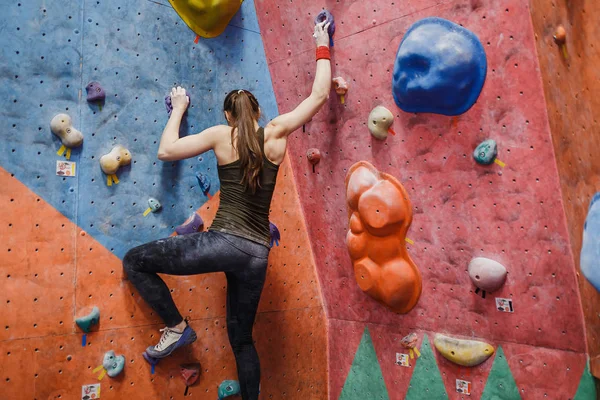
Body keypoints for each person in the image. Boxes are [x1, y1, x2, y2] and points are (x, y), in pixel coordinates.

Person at [122, 21, 332, 400]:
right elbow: (318, 95)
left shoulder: (223, 134)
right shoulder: (277, 131)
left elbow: (166, 151)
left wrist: (179, 109)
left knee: (135, 260)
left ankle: (174, 326)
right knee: (242, 339)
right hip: (256, 255)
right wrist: (322, 43)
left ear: (229, 115)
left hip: (224, 242)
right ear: (257, 112)